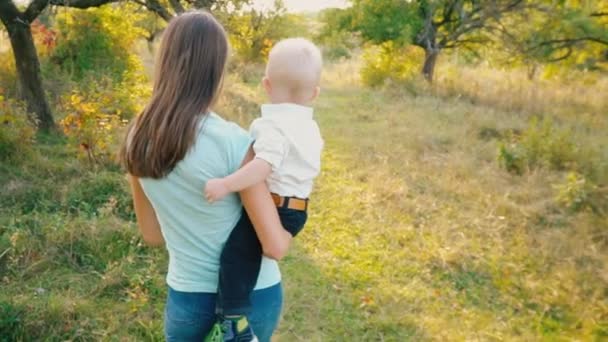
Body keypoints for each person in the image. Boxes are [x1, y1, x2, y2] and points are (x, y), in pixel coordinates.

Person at [120, 11, 292, 342]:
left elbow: (152, 234)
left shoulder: (136, 139)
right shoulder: (234, 142)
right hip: (252, 296)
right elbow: (274, 246)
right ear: (216, 71)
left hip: (187, 295)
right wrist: (290, 230)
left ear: (165, 61)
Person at [204, 38, 324, 341]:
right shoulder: (310, 128)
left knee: (237, 256)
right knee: (252, 253)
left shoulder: (271, 125)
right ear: (315, 93)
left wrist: (226, 184)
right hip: (298, 210)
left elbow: (265, 165)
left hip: (276, 206)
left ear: (267, 85)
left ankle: (234, 323)